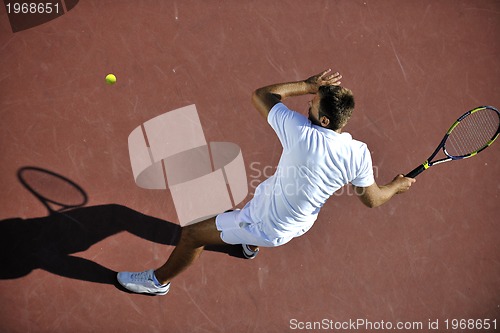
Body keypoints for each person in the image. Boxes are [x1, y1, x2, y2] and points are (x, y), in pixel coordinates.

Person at [117, 69, 416, 295]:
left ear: (324, 120)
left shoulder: (300, 132)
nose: (307, 106)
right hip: (299, 221)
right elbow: (373, 199)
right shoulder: (358, 153)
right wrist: (396, 186)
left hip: (265, 223)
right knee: (266, 196)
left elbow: (261, 95)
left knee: (193, 234)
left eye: (312, 103)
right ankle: (247, 245)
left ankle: (158, 282)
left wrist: (307, 85)